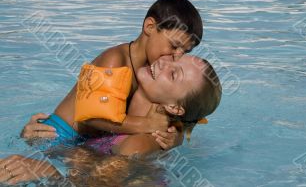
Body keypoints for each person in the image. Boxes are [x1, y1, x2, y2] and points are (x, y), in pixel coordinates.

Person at [0, 55, 222, 185]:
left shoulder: (140, 143)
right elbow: (82, 156)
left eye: (175, 74)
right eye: (174, 57)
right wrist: (35, 136)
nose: (165, 63)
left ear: (174, 107)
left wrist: (46, 171)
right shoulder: (120, 118)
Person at [21, 0, 203, 151]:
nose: (177, 56)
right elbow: (92, 117)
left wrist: (176, 137)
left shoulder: (154, 73)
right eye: (174, 46)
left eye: (185, 52)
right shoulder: (115, 60)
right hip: (56, 137)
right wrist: (147, 124)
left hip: (88, 143)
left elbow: (184, 111)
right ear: (149, 27)